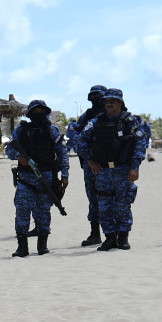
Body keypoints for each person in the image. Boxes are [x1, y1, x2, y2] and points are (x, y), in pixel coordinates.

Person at [74, 87, 151, 251]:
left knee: (122, 204)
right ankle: (109, 238)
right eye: (106, 101)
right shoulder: (96, 121)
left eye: (112, 101)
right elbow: (81, 141)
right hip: (102, 171)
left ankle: (123, 237)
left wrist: (135, 167)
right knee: (104, 205)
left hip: (122, 169)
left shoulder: (130, 121)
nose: (108, 104)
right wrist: (90, 160)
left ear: (120, 103)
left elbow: (139, 143)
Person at [7, 100, 66, 256]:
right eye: (35, 111)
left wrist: (64, 175)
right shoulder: (21, 130)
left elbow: (62, 153)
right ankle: (22, 247)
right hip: (26, 178)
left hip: (46, 178)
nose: (38, 114)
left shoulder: (52, 130)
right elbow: (9, 149)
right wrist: (19, 157)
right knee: (22, 211)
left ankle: (42, 245)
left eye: (41, 111)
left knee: (43, 212)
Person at [68, 88, 107, 246]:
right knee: (93, 199)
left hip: (111, 166)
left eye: (98, 96)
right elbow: (75, 135)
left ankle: (116, 234)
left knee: (112, 199)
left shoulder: (114, 115)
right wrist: (88, 157)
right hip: (90, 164)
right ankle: (95, 234)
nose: (95, 99)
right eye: (93, 97)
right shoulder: (88, 116)